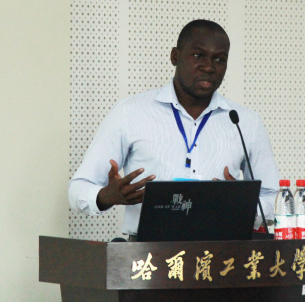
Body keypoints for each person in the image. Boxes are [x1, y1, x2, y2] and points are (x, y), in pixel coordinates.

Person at [68, 20, 280, 237]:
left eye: (219, 59)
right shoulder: (129, 112)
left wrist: (242, 204)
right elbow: (77, 190)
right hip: (149, 252)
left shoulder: (245, 122)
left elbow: (274, 200)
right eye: (198, 55)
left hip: (223, 252)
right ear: (175, 56)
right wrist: (105, 196)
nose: (209, 67)